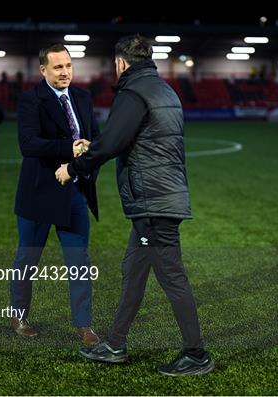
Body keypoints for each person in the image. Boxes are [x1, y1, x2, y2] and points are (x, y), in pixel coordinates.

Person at [55, 35, 214, 376]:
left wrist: (73, 167)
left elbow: (113, 142)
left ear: (122, 63)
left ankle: (196, 353)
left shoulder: (134, 92)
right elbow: (135, 138)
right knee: (133, 272)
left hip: (153, 202)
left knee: (172, 277)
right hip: (160, 198)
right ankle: (115, 344)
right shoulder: (165, 91)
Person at [10, 43, 100, 347]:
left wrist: (89, 152)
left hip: (74, 193)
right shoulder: (30, 100)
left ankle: (84, 325)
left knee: (80, 260)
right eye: (58, 67)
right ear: (43, 70)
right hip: (38, 194)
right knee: (28, 259)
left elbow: (95, 139)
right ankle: (19, 316)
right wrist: (69, 148)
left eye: (69, 66)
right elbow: (29, 145)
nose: (65, 72)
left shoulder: (83, 98)